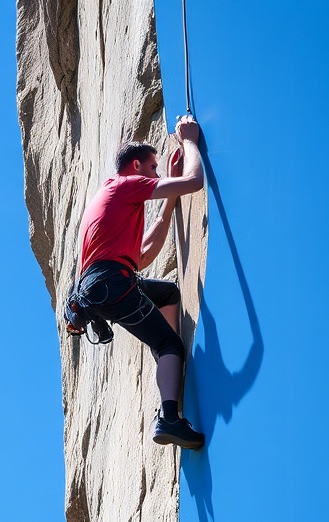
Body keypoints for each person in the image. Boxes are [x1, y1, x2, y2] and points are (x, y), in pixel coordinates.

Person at [73, 115, 205, 449]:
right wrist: (189, 140)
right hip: (111, 284)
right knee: (169, 344)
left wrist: (168, 200)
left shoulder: (109, 199)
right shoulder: (125, 185)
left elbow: (143, 256)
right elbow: (195, 181)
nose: (156, 177)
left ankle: (167, 362)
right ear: (136, 166)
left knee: (168, 293)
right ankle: (170, 417)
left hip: (103, 287)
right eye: (153, 168)